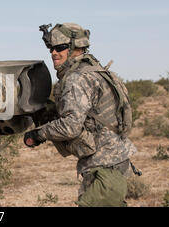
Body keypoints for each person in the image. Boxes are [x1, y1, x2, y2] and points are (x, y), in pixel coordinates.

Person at [25, 23, 139, 207]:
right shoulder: (93, 71)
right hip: (114, 161)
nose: (53, 52)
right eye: (51, 48)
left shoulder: (77, 79)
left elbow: (70, 126)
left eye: (60, 47)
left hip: (104, 167)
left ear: (76, 48)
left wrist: (38, 134)